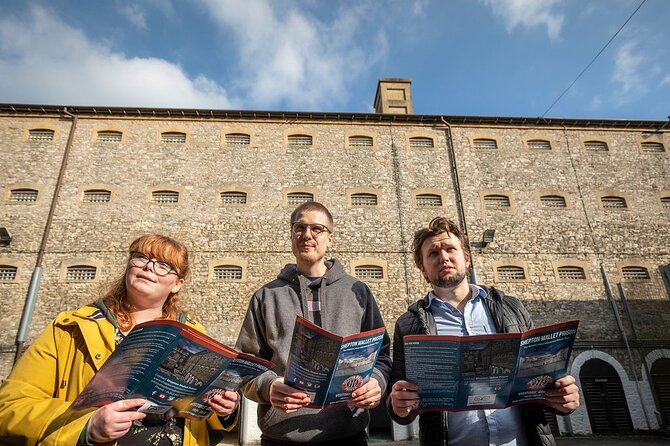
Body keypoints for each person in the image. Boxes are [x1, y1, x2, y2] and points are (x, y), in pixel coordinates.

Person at [0, 234, 239, 445]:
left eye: (164, 265)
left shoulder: (196, 336)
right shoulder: (71, 327)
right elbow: (10, 407)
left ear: (177, 284)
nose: (148, 267)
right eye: (141, 257)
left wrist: (222, 409)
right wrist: (86, 425)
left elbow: (199, 415)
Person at [388, 217, 580, 446]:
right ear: (423, 270)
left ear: (466, 259)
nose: (444, 257)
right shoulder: (408, 325)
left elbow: (541, 376)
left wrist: (562, 397)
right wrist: (397, 406)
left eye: (450, 249)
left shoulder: (511, 308)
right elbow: (398, 394)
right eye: (433, 253)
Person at [235, 201, 392, 446]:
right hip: (281, 437)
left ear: (330, 238)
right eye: (300, 227)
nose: (307, 235)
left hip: (348, 435)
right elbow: (244, 365)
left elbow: (381, 355)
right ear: (291, 234)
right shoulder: (266, 296)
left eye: (317, 229)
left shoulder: (357, 292)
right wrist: (267, 387)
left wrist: (377, 383)